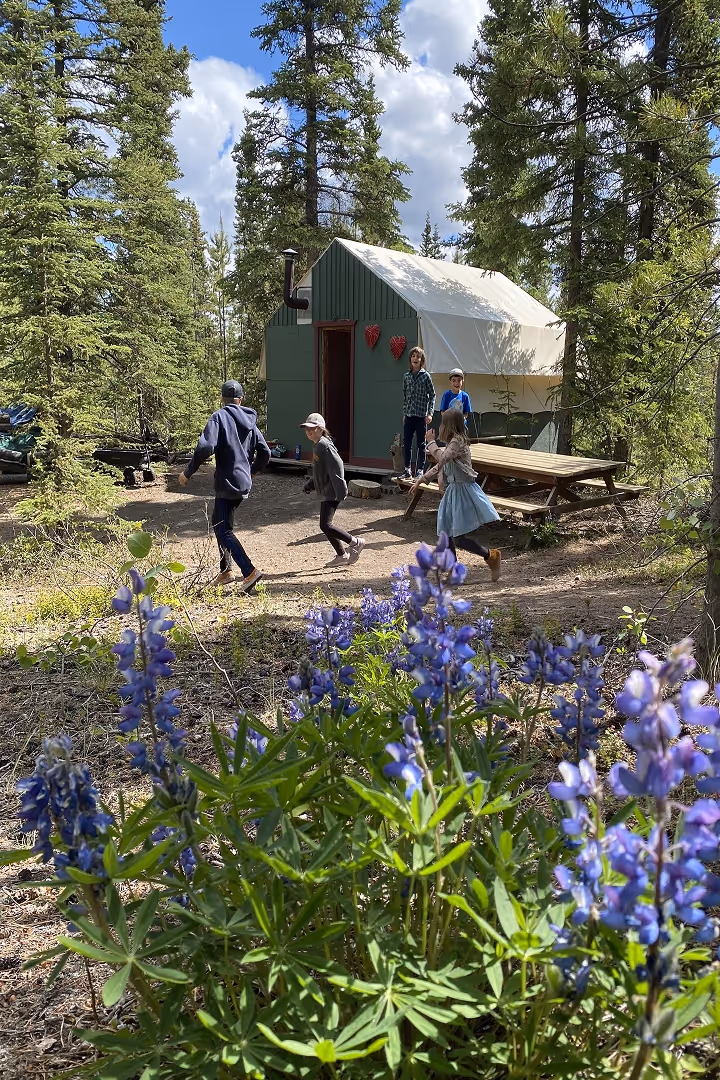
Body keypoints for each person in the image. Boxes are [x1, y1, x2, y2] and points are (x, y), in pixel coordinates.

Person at [179, 379, 270, 592]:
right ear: (241, 399)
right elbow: (265, 452)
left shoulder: (219, 417)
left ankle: (249, 571)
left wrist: (188, 471)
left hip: (227, 483)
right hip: (242, 482)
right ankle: (226, 571)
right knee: (219, 521)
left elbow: (206, 447)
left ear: (223, 398)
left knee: (223, 529)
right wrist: (252, 470)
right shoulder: (250, 422)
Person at [408, 408, 502, 580]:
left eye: (443, 422)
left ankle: (491, 556)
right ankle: (453, 568)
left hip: (464, 491)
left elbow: (442, 459)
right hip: (453, 491)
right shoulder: (452, 441)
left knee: (458, 537)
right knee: (446, 531)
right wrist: (427, 480)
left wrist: (430, 443)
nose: (441, 425)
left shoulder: (458, 442)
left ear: (450, 425)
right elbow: (441, 466)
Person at [300, 412, 365, 567]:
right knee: (325, 525)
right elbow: (320, 471)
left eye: (312, 428)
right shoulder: (318, 444)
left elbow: (338, 466)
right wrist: (310, 484)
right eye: (306, 428)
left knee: (326, 525)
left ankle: (355, 542)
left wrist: (341, 489)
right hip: (326, 490)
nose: (308, 431)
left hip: (332, 491)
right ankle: (342, 555)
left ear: (321, 428)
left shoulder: (324, 445)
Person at [398, 346, 435, 480]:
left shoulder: (426, 376)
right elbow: (404, 396)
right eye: (413, 356)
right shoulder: (406, 376)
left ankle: (420, 470)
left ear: (421, 360)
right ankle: (407, 469)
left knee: (421, 444)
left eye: (418, 357)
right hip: (409, 416)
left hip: (421, 417)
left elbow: (432, 395)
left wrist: (430, 413)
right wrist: (404, 413)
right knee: (407, 443)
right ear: (410, 359)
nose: (415, 359)